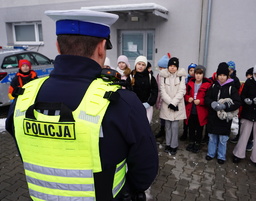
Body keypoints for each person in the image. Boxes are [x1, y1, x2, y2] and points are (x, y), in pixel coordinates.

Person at [6, 9, 158, 201]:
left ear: (58, 47)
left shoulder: (23, 97)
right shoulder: (122, 101)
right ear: (102, 48)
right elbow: (146, 166)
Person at [205, 62, 241, 164]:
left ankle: (221, 156)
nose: (221, 77)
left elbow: (237, 102)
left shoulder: (231, 88)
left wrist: (225, 106)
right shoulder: (213, 87)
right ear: (217, 75)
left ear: (227, 76)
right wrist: (212, 103)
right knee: (212, 137)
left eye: (224, 75)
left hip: (225, 119)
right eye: (220, 75)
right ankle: (210, 153)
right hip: (213, 117)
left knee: (222, 139)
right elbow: (207, 98)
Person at [159, 57, 187, 155]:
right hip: (167, 105)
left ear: (177, 67)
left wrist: (174, 103)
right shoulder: (163, 76)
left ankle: (174, 145)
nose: (172, 68)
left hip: (177, 104)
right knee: (168, 126)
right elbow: (162, 90)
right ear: (168, 66)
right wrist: (169, 102)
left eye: (174, 66)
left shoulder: (181, 76)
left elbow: (182, 90)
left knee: (175, 126)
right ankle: (168, 144)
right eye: (171, 66)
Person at [185, 65, 212, 153]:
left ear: (203, 74)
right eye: (196, 73)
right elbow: (185, 94)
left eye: (200, 74)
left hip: (201, 111)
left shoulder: (207, 85)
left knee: (199, 128)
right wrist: (188, 98)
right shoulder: (190, 83)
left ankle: (197, 142)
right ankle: (192, 141)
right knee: (191, 127)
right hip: (191, 110)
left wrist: (201, 101)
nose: (198, 76)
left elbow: (209, 98)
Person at [126, 56, 158, 123]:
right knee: (135, 125)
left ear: (146, 66)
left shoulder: (150, 77)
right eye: (139, 64)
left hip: (147, 107)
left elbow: (154, 91)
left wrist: (149, 103)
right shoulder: (131, 77)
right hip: (134, 106)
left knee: (145, 125)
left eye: (143, 65)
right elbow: (128, 91)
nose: (140, 66)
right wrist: (133, 103)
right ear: (135, 64)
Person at [230, 67, 254, 152]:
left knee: (250, 127)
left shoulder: (254, 85)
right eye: (248, 75)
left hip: (251, 110)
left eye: (251, 75)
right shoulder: (244, 85)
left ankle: (250, 141)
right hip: (242, 107)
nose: (249, 77)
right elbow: (240, 94)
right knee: (241, 123)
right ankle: (239, 136)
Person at [180, 63, 197, 141]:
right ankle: (185, 132)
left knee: (193, 120)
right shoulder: (186, 80)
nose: (192, 72)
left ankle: (192, 134)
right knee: (185, 118)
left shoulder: (198, 80)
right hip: (187, 103)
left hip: (194, 104)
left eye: (194, 70)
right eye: (190, 70)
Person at [155, 54, 170, 138]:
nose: (161, 69)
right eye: (160, 67)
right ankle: (162, 129)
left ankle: (167, 130)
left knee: (167, 115)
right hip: (160, 97)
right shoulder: (158, 75)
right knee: (161, 115)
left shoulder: (168, 76)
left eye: (163, 68)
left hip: (166, 98)